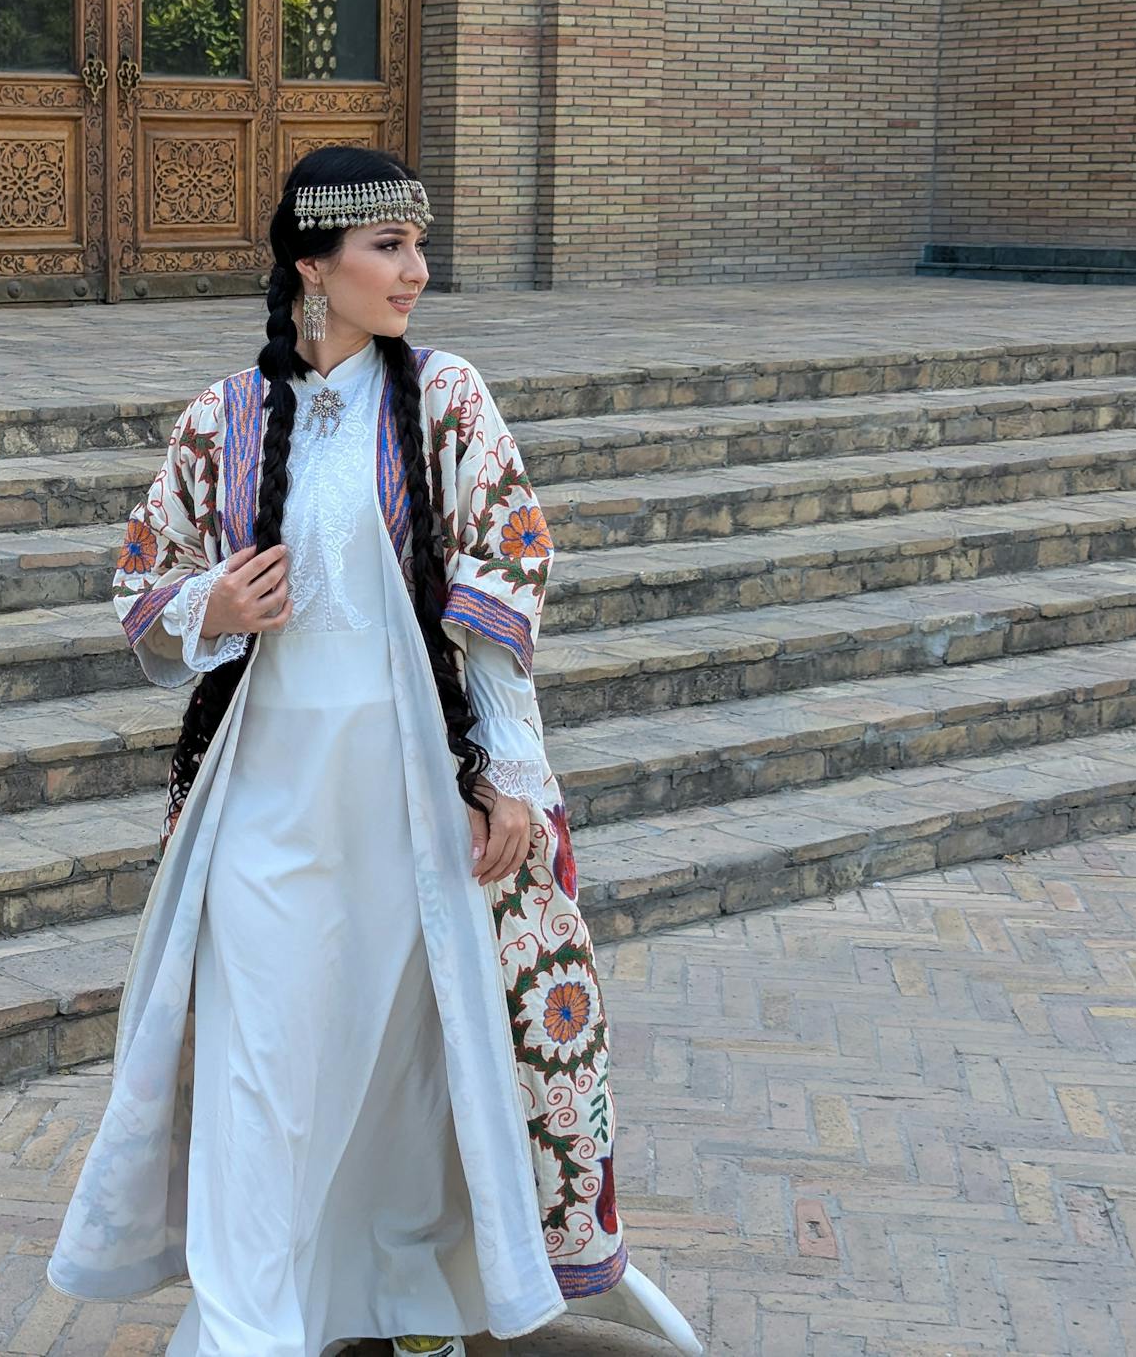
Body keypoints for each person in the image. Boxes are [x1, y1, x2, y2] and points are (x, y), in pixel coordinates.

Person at [46, 146, 701, 1357]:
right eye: (387, 247)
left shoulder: (449, 397)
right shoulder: (225, 418)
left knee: (408, 1063)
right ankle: (250, 1323)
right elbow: (142, 577)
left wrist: (506, 772)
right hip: (266, 802)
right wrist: (211, 611)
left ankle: (403, 1295)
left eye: (419, 245)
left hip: (409, 791)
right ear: (314, 263)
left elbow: (508, 573)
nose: (416, 271)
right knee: (260, 1061)